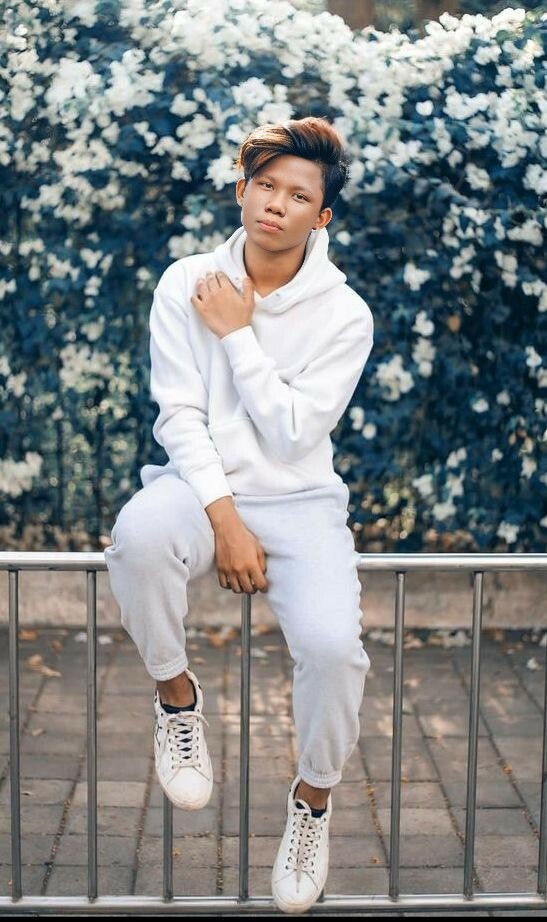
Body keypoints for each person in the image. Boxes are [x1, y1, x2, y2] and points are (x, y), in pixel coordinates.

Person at [104, 115, 374, 914]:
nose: (275, 204)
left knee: (333, 649)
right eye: (265, 185)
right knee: (139, 535)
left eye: (298, 195)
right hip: (199, 487)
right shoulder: (187, 280)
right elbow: (179, 415)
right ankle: (176, 699)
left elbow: (292, 434)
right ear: (242, 190)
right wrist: (223, 520)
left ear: (321, 217)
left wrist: (237, 335)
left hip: (300, 500)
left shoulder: (344, 315)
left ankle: (312, 803)